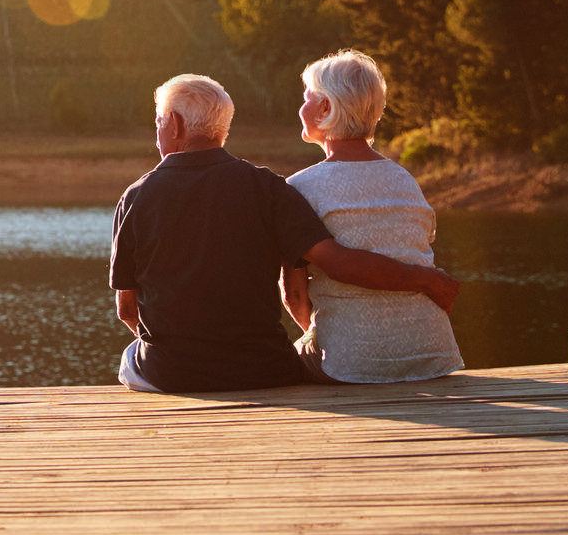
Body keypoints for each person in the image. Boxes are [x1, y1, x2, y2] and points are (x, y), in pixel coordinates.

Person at [111, 73, 458, 393]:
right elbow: (330, 265)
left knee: (130, 357)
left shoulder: (135, 198)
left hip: (172, 373)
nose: (157, 131)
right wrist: (425, 279)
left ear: (173, 125)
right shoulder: (270, 188)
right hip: (264, 369)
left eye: (158, 121)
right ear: (222, 128)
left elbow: (127, 310)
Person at [283, 50, 464, 383]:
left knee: (290, 358)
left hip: (352, 364)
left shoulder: (299, 188)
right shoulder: (404, 179)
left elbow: (294, 297)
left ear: (326, 108)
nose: (301, 108)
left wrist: (319, 335)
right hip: (432, 355)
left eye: (307, 99)